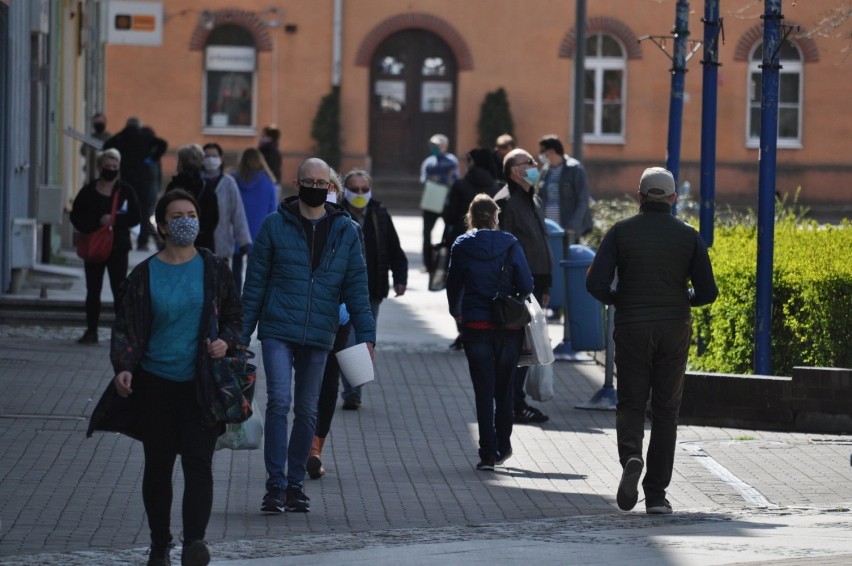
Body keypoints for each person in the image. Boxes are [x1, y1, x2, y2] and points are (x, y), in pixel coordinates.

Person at [87, 188, 243, 566]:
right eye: (177, 216)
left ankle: (194, 544)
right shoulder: (144, 275)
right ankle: (160, 545)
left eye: (191, 214)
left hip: (202, 385)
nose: (186, 220)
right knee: (158, 466)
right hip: (155, 383)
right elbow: (126, 327)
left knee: (198, 464)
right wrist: (124, 367)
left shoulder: (213, 269)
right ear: (161, 226)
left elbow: (237, 320)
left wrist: (225, 341)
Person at [240, 157, 376, 514]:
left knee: (307, 410)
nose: (316, 188)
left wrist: (367, 335)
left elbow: (358, 286)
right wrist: (240, 335)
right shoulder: (274, 226)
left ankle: (295, 483)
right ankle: (275, 484)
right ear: (297, 183)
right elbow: (254, 284)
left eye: (322, 183)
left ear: (331, 188)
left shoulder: (346, 231)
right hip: (278, 329)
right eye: (309, 181)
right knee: (280, 401)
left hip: (320, 331)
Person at [585, 167, 718, 515]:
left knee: (630, 403)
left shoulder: (621, 232)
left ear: (640, 196)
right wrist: (683, 298)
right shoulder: (689, 236)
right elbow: (708, 291)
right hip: (674, 327)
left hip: (632, 327)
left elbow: (595, 282)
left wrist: (618, 298)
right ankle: (656, 495)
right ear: (673, 199)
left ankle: (631, 455)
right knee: (666, 411)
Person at [445, 193, 533, 471]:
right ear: (496, 217)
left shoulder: (461, 245)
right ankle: (503, 446)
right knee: (505, 388)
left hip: (475, 326)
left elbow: (453, 283)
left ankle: (486, 453)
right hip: (508, 327)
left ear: (470, 217)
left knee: (483, 390)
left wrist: (456, 311)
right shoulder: (510, 244)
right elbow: (527, 284)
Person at [336, 169, 408, 409]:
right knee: (347, 341)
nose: (359, 194)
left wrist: (400, 277)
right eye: (354, 189)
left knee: (362, 343)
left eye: (364, 190)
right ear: (345, 190)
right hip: (342, 292)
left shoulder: (379, 213)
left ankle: (353, 390)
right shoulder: (336, 213)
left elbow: (394, 249)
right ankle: (349, 389)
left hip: (372, 290)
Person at [494, 148, 554, 424]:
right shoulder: (506, 202)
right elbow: (503, 246)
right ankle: (513, 403)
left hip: (535, 284)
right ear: (514, 171)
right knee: (515, 349)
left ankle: (517, 401)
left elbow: (538, 241)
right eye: (528, 162)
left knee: (528, 348)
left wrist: (546, 283)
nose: (534, 165)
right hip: (516, 288)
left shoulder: (532, 198)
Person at [307, 170, 359, 478]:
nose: (322, 193)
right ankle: (300, 443)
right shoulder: (290, 226)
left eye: (328, 189)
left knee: (328, 384)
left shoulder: (349, 228)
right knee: (302, 387)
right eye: (315, 186)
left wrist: (350, 309)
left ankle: (314, 447)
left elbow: (357, 275)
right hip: (300, 316)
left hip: (336, 320)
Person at [70, 148, 140, 345]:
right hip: (95, 247)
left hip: (118, 247)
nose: (110, 169)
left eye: (114, 166)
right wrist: (97, 222)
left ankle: (120, 334)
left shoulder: (125, 190)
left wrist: (115, 220)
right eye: (107, 166)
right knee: (93, 290)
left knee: (120, 290)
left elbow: (136, 216)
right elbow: (76, 216)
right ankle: (91, 330)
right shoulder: (88, 191)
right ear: (100, 167)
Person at [442, 148, 501, 350]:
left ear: (474, 162)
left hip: (462, 242)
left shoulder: (460, 185)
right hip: (492, 245)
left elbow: (449, 215)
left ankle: (462, 330)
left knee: (460, 285)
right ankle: (484, 328)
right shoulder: (496, 187)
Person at [103, 118, 167, 251]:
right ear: (139, 126)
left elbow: (106, 146)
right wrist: (151, 159)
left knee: (124, 209)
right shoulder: (145, 137)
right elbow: (163, 144)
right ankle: (142, 241)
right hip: (145, 179)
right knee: (144, 212)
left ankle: (122, 238)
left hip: (127, 179)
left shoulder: (122, 137)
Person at [230, 147, 278, 290]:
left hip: (237, 231)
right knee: (255, 272)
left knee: (235, 267)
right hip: (259, 232)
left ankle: (235, 299)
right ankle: (250, 300)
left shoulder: (233, 179)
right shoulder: (268, 181)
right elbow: (272, 209)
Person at [202, 143, 252, 265]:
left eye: (214, 156)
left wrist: (244, 241)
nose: (211, 159)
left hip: (223, 244)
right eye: (207, 156)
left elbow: (238, 213)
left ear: (220, 158)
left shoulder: (229, 183)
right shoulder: (197, 182)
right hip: (200, 243)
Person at [537, 134, 593, 242]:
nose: (541, 154)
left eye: (542, 150)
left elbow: (583, 199)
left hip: (568, 229)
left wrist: (573, 225)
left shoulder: (574, 169)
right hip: (549, 229)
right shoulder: (545, 171)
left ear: (551, 151)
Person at [166, 145, 218, 252]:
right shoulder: (207, 187)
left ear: (180, 164)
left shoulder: (173, 187)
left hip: (177, 243)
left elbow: (164, 213)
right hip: (203, 244)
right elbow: (214, 218)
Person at [419, 134, 459, 273]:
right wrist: (440, 179)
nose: (434, 148)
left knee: (449, 233)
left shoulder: (451, 160)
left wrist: (437, 179)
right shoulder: (428, 162)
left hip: (446, 202)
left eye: (437, 145)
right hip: (430, 202)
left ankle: (446, 262)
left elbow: (453, 179)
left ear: (445, 146)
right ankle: (428, 264)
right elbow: (424, 179)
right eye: (433, 145)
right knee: (426, 234)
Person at [81, 112, 112, 183]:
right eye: (96, 122)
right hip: (91, 171)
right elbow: (83, 150)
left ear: (104, 122)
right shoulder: (90, 138)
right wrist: (93, 151)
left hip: (106, 172)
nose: (99, 124)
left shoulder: (109, 137)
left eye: (100, 122)